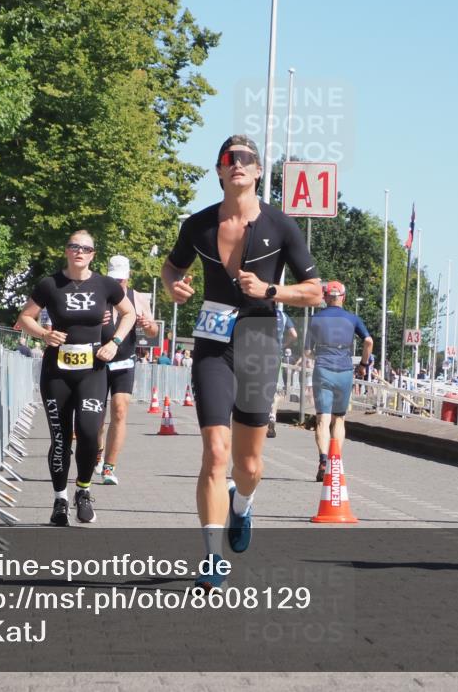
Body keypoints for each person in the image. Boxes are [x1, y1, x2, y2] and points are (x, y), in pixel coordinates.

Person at [162, 134, 321, 591]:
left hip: (257, 339)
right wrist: (173, 284)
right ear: (218, 170)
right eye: (228, 159)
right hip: (212, 342)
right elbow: (171, 268)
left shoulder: (281, 225)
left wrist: (271, 291)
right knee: (215, 454)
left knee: (247, 464)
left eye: (246, 159)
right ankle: (212, 559)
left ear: (257, 172)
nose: (237, 164)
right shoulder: (198, 225)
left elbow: (314, 290)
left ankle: (243, 505)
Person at [17, 230, 136, 526]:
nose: (79, 252)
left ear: (93, 254)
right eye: (74, 247)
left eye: (85, 248)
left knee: (87, 432)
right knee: (60, 440)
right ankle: (59, 500)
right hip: (56, 371)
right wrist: (44, 333)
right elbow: (25, 318)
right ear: (67, 251)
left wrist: (115, 342)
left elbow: (129, 313)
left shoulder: (105, 285)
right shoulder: (50, 284)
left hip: (92, 370)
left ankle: (83, 491)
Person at [96, 255, 159, 486]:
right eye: (113, 280)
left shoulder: (138, 298)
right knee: (96, 417)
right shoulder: (97, 294)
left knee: (120, 411)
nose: (117, 285)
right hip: (99, 361)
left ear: (128, 277)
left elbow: (153, 332)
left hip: (124, 361)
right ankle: (97, 453)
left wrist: (147, 325)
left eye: (121, 280)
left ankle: (109, 468)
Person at [305, 281, 373, 481]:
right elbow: (368, 341)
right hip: (344, 371)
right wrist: (363, 364)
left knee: (322, 419)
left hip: (323, 369)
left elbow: (308, 351)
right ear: (343, 297)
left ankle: (323, 460)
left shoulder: (315, 319)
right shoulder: (352, 318)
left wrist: (313, 362)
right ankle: (335, 462)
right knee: (340, 418)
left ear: (326, 297)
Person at [267, 309, 298, 438]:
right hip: (275, 354)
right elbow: (294, 334)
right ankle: (272, 415)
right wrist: (283, 344)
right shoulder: (283, 315)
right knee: (276, 390)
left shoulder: (258, 311)